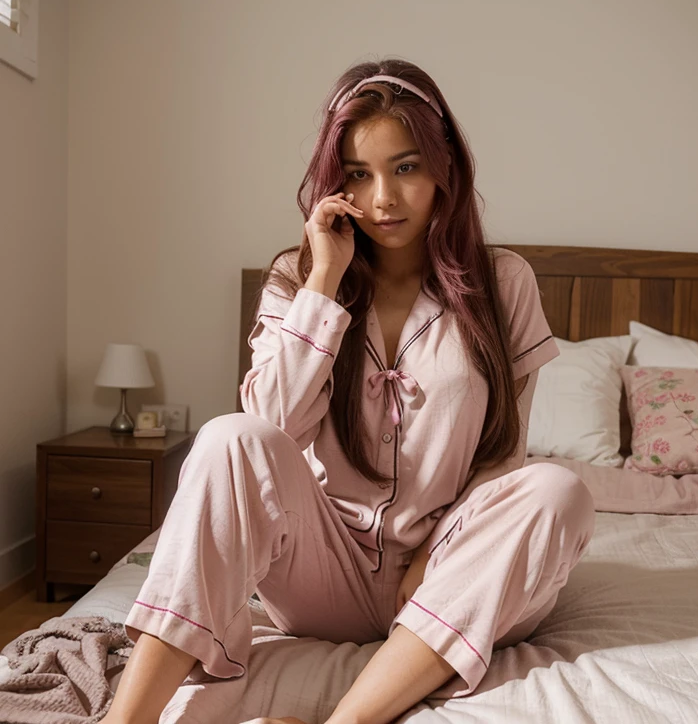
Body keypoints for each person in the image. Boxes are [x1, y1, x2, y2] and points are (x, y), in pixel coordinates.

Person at [103, 57, 596, 724]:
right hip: (319, 573)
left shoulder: (503, 282)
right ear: (335, 184)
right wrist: (324, 283)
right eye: (359, 175)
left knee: (556, 488)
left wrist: (431, 555)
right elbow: (270, 429)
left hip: (449, 570)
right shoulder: (295, 277)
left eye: (407, 167)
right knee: (229, 437)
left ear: (445, 167)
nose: (384, 199)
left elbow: (501, 455)